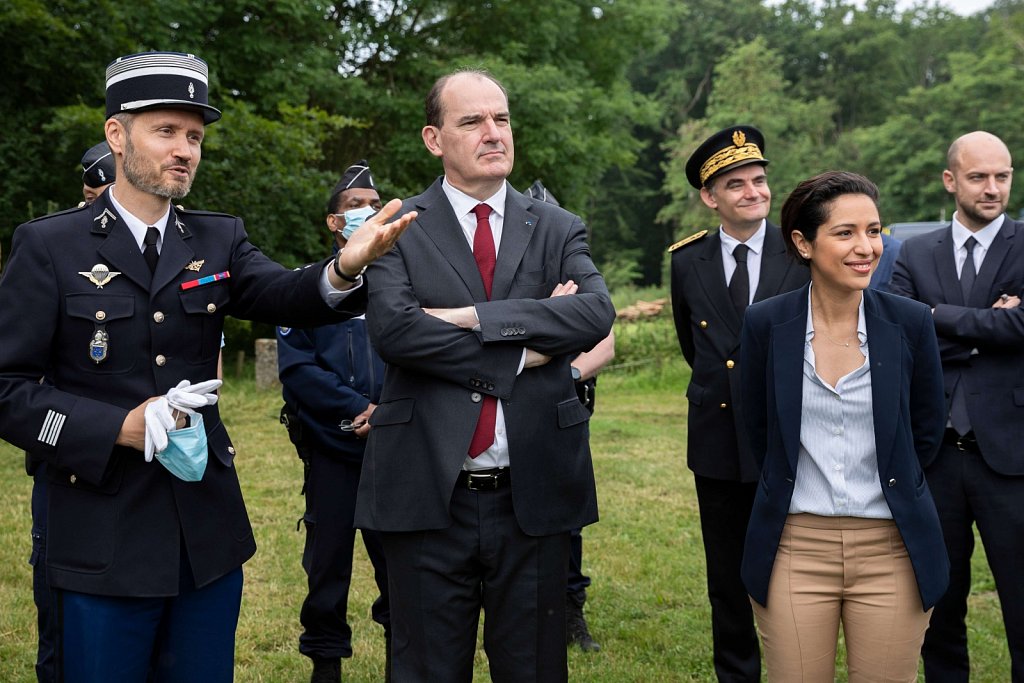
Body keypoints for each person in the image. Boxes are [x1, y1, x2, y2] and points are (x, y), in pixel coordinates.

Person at [0, 51, 413, 683]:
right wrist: (116, 427)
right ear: (117, 134)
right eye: (165, 131)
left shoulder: (217, 239)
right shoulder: (51, 246)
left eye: (193, 136)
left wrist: (344, 267)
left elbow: (285, 294)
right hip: (99, 534)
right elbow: (8, 389)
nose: (185, 150)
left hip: (205, 536)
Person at [354, 68, 616, 682]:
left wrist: (472, 317)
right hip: (426, 494)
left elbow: (594, 313)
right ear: (433, 138)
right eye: (471, 121)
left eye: (500, 118)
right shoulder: (398, 226)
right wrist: (530, 346)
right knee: (425, 670)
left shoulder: (556, 225)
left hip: (534, 495)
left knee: (532, 669)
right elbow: (394, 332)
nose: (492, 132)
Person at [740, 170, 949, 681]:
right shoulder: (766, 324)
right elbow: (757, 430)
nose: (867, 248)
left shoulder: (911, 322)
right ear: (803, 242)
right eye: (846, 232)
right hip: (794, 547)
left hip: (891, 548)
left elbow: (924, 430)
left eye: (874, 231)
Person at [668, 125, 809, 682]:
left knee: (792, 570)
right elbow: (692, 343)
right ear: (711, 197)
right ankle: (736, 673)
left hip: (787, 434)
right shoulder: (687, 261)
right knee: (725, 574)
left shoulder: (799, 250)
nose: (753, 192)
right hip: (717, 440)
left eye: (759, 180)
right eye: (736, 184)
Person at [890, 131, 1024, 682]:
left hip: (1012, 457)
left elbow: (1020, 326)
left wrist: (934, 315)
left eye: (1003, 176)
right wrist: (988, 326)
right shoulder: (912, 250)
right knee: (939, 603)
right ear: (951, 181)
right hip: (936, 454)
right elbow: (898, 332)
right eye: (978, 177)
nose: (992, 188)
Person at [277, 160, 390, 683]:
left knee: (403, 563)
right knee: (327, 564)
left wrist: (385, 411)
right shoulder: (307, 290)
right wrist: (354, 408)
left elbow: (422, 355)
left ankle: (404, 654)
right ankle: (325, 662)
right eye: (353, 205)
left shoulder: (401, 285)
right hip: (331, 449)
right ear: (332, 222)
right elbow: (298, 368)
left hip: (395, 448)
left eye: (373, 202)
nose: (365, 211)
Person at [524, 179, 615, 653]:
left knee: (567, 517)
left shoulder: (578, 276)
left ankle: (571, 612)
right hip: (516, 412)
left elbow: (605, 341)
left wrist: (566, 370)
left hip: (567, 408)